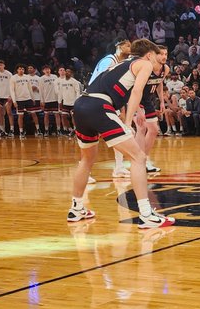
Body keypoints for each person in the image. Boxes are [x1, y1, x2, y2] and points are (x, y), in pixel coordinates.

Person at [68, 39, 174, 229]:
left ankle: (76, 209)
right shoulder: (144, 64)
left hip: (81, 105)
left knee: (86, 160)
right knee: (138, 157)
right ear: (149, 54)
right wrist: (127, 122)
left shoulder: (121, 64)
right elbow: (137, 93)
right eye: (156, 56)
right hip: (99, 106)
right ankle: (146, 214)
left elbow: (126, 90)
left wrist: (137, 112)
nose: (158, 60)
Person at [89, 39, 132, 177]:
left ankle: (119, 167)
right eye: (127, 45)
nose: (130, 48)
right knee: (92, 139)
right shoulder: (108, 61)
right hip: (95, 98)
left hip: (107, 99)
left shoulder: (118, 62)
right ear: (118, 47)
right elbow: (101, 81)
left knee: (119, 132)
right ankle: (86, 172)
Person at [11, 64, 33, 138]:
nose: (21, 70)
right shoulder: (13, 78)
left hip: (28, 99)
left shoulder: (27, 77)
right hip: (19, 100)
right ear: (17, 70)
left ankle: (30, 130)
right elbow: (12, 90)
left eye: (23, 69)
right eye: (20, 69)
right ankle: (21, 131)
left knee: (31, 115)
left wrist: (32, 98)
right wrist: (14, 101)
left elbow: (30, 88)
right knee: (20, 116)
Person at [38, 65, 60, 136]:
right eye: (45, 69)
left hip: (55, 99)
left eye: (48, 69)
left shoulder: (55, 77)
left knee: (57, 115)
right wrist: (42, 100)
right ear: (43, 71)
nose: (47, 70)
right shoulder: (41, 79)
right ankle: (46, 130)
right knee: (46, 115)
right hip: (46, 99)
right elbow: (41, 90)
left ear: (50, 70)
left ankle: (58, 130)